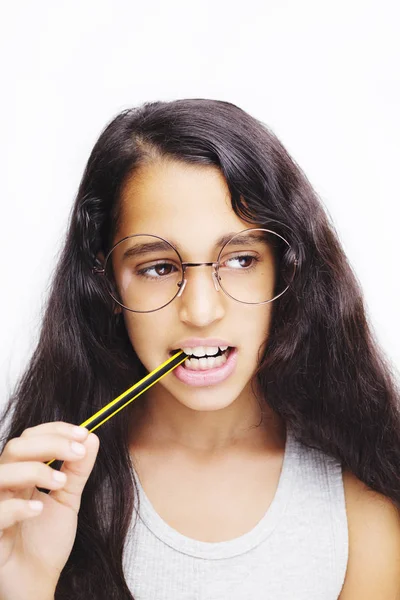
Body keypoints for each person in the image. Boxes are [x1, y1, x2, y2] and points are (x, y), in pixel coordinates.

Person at [0, 99, 399, 600]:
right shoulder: (36, 497)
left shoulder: (360, 497)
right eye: (159, 267)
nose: (202, 311)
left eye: (240, 259)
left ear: (288, 268)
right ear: (107, 285)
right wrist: (27, 586)